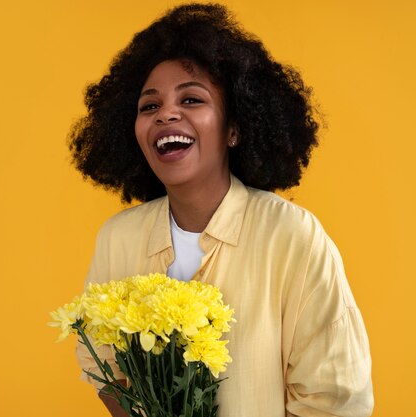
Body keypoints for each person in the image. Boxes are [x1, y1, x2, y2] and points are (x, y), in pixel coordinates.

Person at [70, 3, 373, 417]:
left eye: (191, 99)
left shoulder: (293, 236)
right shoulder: (117, 238)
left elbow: (335, 397)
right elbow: (102, 367)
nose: (167, 114)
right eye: (149, 106)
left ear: (234, 129)